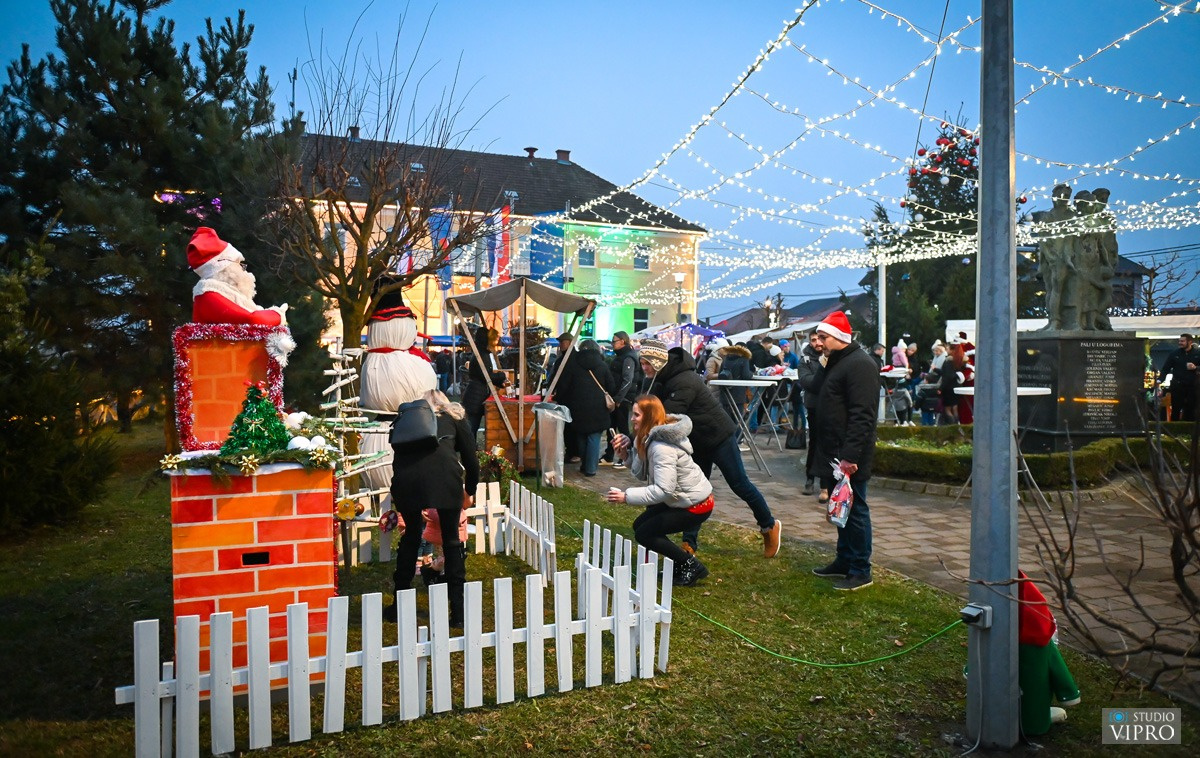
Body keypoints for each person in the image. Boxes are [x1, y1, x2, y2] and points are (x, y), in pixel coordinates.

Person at [638, 338, 782, 558]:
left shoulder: (683, 380)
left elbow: (665, 418)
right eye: (642, 363)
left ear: (659, 362)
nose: (644, 367)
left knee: (739, 484)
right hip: (697, 443)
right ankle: (689, 543)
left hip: (719, 437)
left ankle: (769, 526)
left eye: (648, 363)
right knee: (694, 493)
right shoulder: (658, 379)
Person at [384, 389, 479, 626]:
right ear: (445, 404)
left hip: (407, 482)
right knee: (451, 542)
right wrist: (470, 490)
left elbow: (397, 457)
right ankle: (458, 613)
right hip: (446, 480)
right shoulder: (454, 418)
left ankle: (399, 606)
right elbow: (471, 459)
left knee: (411, 538)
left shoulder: (407, 421)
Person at [605, 395, 714, 586]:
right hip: (680, 499)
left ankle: (690, 565)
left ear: (648, 417)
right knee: (640, 526)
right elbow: (642, 474)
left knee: (645, 533)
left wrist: (626, 496)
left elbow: (663, 490)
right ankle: (681, 563)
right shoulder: (647, 437)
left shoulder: (661, 447)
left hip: (697, 505)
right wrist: (626, 455)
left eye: (637, 415)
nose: (632, 419)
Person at [809, 311, 879, 591]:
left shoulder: (861, 364)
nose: (819, 342)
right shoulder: (836, 362)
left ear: (838, 337)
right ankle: (844, 559)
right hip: (833, 450)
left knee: (856, 509)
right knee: (841, 506)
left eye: (823, 337)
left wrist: (850, 456)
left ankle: (861, 569)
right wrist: (824, 363)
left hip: (849, 454)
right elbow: (815, 390)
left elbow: (863, 414)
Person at [551, 339, 612, 477]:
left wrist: (559, 398)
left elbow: (564, 386)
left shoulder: (573, 366)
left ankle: (585, 465)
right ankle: (590, 468)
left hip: (577, 408)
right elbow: (611, 386)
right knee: (594, 437)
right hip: (598, 408)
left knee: (581, 436)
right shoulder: (603, 366)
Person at [797, 330, 827, 498]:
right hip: (814, 406)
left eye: (820, 339)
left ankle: (826, 483)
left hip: (831, 407)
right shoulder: (805, 360)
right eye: (814, 340)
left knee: (828, 444)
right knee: (815, 443)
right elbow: (807, 382)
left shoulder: (832, 356)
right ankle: (810, 478)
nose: (818, 343)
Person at [606, 331, 642, 468]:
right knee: (612, 425)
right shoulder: (621, 356)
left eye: (614, 341)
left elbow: (628, 379)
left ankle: (627, 456)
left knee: (622, 427)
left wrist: (619, 398)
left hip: (623, 398)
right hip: (617, 397)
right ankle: (609, 455)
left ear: (622, 341)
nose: (612, 343)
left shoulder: (628, 357)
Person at [461, 326, 502, 435]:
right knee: (471, 429)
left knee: (472, 428)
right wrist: (501, 377)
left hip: (476, 395)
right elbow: (486, 375)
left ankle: (472, 448)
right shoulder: (482, 355)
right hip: (475, 397)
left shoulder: (481, 353)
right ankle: (471, 450)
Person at [1158, 333, 1200, 421]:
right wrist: (1159, 380)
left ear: (1190, 342)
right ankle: (1175, 429)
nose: (1180, 343)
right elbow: (1166, 369)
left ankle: (1190, 430)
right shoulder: (1174, 354)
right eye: (1179, 341)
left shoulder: (1197, 353)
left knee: (1191, 409)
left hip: (1192, 386)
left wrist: (1195, 367)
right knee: (1176, 409)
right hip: (1177, 385)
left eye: (1182, 341)